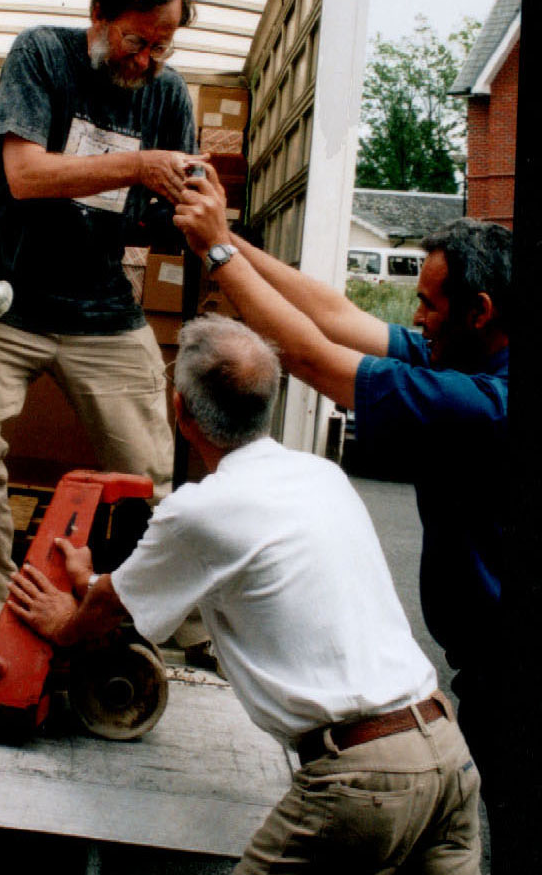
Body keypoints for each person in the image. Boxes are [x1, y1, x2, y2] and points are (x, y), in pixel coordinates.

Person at [10, 315, 481, 872]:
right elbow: (154, 586)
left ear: (181, 412)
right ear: (269, 403)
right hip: (448, 757)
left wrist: (65, 619)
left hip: (360, 780)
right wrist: (93, 584)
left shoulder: (201, 510)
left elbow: (107, 613)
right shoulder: (321, 476)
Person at [173, 171, 515, 863]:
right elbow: (331, 311)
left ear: (478, 310)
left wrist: (216, 254)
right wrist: (224, 236)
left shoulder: (484, 404)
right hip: (479, 680)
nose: (417, 318)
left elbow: (306, 353)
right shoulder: (465, 350)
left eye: (428, 304)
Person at [0, 0, 207, 635]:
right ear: (99, 18)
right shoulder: (41, 55)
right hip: (3, 293)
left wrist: (190, 207)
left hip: (101, 304)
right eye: (136, 41)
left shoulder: (169, 96)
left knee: (150, 478)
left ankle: (127, 623)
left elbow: (156, 213)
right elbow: (26, 175)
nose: (148, 60)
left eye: (162, 46)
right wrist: (139, 164)